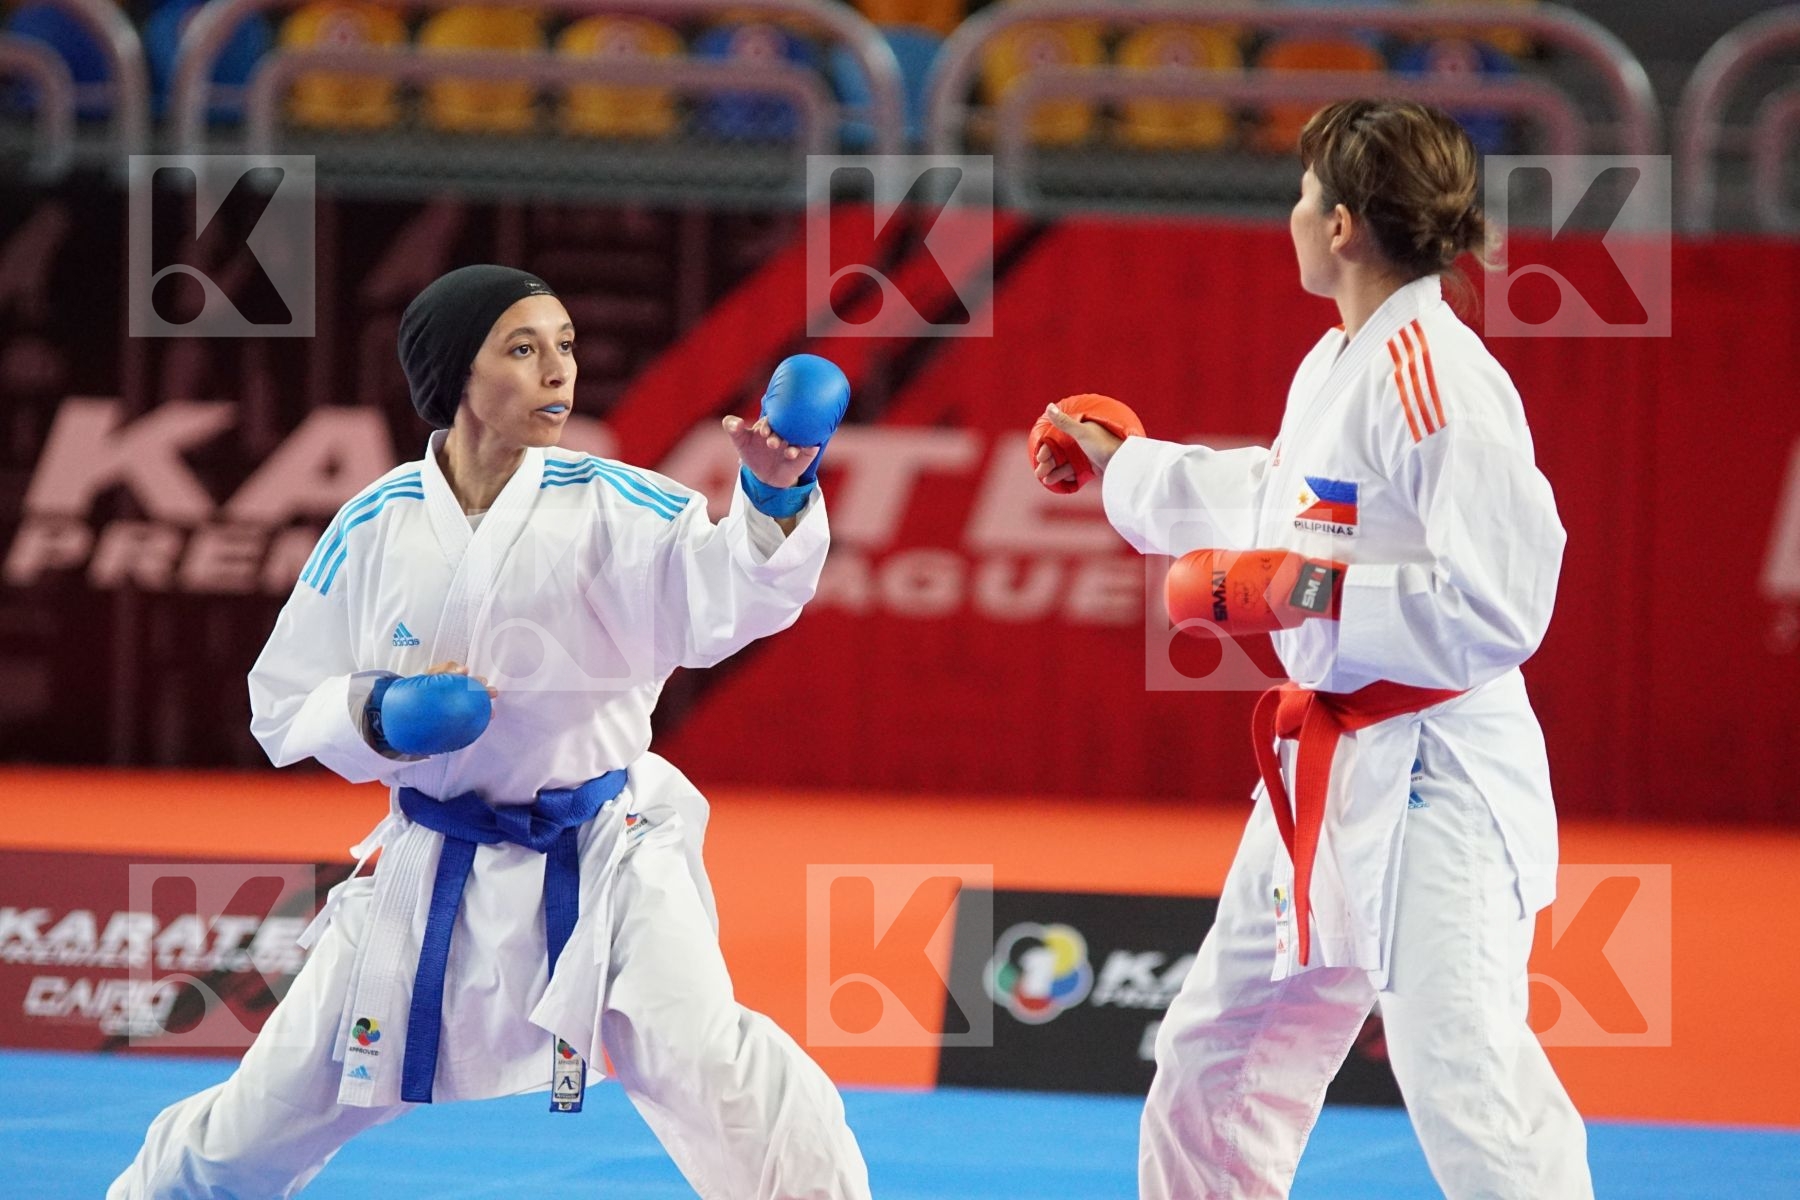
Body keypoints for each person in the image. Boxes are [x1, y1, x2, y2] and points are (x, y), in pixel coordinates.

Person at [111, 264, 870, 1199]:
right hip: (431, 863)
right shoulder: (375, 524)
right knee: (262, 1119)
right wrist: (382, 713)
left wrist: (775, 496)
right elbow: (283, 701)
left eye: (566, 346)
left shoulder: (615, 502)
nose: (558, 370)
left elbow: (727, 597)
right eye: (522, 348)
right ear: (457, 375)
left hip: (607, 855)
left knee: (718, 1072)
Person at [1031, 101, 1593, 1198]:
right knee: (1217, 1057)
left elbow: (1503, 603)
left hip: (1436, 778)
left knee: (1467, 1083)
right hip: (1325, 771)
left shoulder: (1437, 378)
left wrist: (1300, 589)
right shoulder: (1341, 357)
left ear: (1342, 225)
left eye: (1302, 194)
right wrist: (1126, 464)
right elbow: (1285, 503)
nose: (1290, 213)